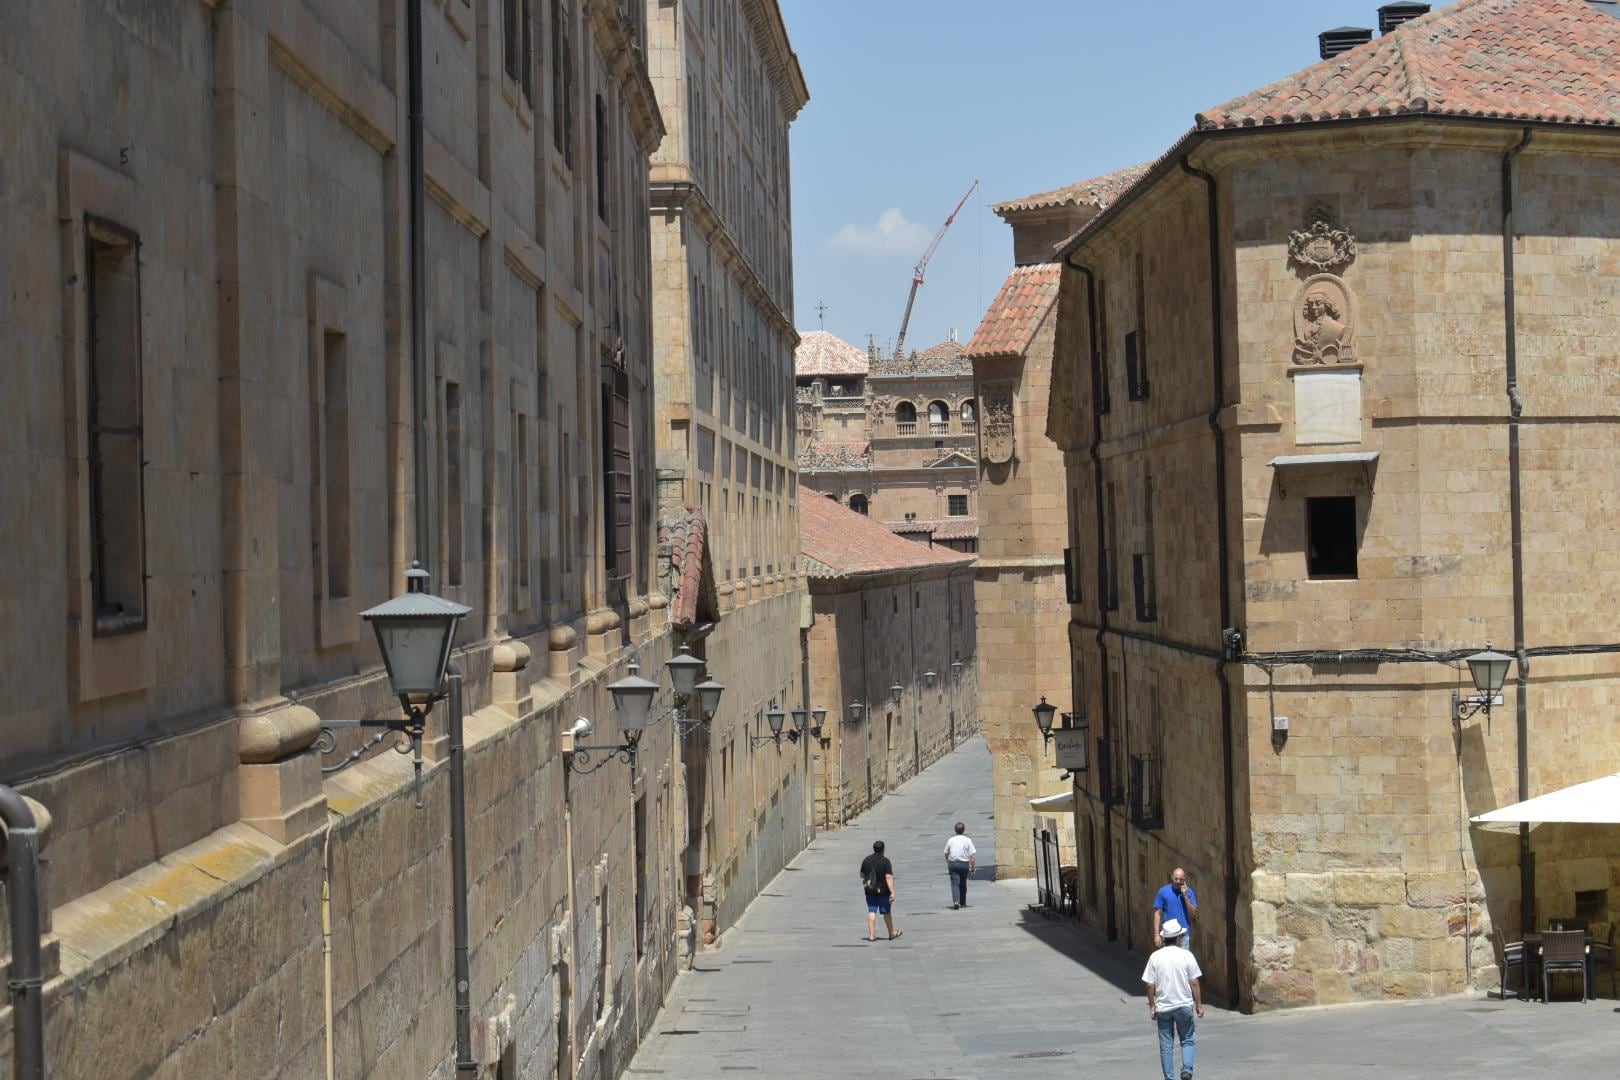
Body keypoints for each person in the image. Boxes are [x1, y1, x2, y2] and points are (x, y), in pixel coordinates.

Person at [1142, 918, 1204, 1080]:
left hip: (1163, 1007)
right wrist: (1199, 1004)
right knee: (1188, 1039)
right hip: (1183, 1005)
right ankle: (1187, 1070)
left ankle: (1170, 1078)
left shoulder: (1155, 957)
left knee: (1166, 1046)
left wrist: (1152, 1005)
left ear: (1163, 938)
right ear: (1178, 938)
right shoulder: (1186, 955)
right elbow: (1194, 982)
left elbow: (1149, 985)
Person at [859, 840, 901, 941]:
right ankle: (892, 933)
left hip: (870, 890)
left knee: (872, 911)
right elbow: (888, 877)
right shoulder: (885, 861)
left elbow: (861, 875)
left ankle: (872, 935)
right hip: (883, 892)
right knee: (886, 912)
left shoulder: (866, 860)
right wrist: (892, 891)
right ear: (883, 849)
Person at [1153, 867, 1198, 950]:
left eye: (1180, 879)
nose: (1178, 881)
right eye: (1176, 879)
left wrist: (1185, 896)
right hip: (1168, 934)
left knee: (1182, 961)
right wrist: (1156, 934)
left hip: (1183, 934)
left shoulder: (1189, 892)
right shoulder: (1163, 892)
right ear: (1172, 877)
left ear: (1184, 879)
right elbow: (1157, 914)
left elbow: (1194, 914)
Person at [943, 821, 976, 909]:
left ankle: (956, 901)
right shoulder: (968, 840)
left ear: (955, 830)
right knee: (963, 883)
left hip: (953, 863)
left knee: (955, 883)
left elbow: (946, 853)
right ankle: (963, 903)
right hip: (964, 864)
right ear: (964, 830)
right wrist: (973, 867)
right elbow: (972, 856)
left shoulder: (951, 840)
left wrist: (948, 862)